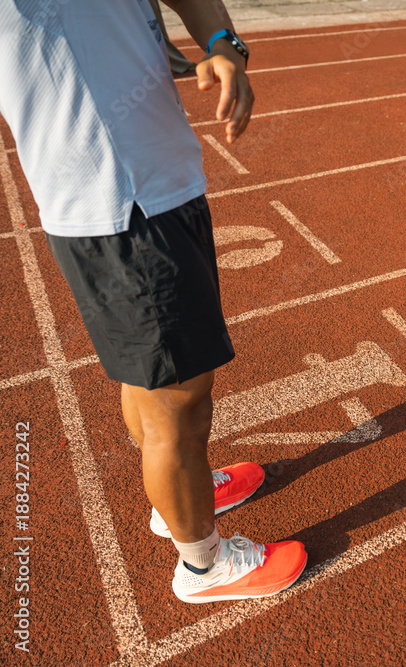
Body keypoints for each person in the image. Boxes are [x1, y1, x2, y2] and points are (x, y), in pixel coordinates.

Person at [0, 0, 307, 603]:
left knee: (156, 379)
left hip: (159, 181)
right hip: (116, 200)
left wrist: (222, 42)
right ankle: (203, 566)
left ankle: (180, 502)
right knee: (177, 401)